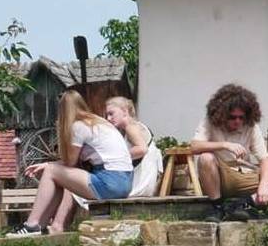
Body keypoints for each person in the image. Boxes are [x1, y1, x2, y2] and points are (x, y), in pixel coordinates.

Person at [13, 90, 134, 235]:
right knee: (56, 176)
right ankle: (41, 225)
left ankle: (31, 224)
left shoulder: (79, 126)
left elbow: (70, 163)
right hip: (125, 182)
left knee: (51, 171)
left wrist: (48, 165)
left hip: (109, 181)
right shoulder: (98, 122)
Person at [192, 83, 268, 217]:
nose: (237, 121)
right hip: (221, 176)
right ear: (222, 114)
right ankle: (217, 207)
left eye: (241, 117)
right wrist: (225, 145)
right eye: (232, 117)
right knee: (205, 158)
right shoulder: (210, 121)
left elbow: (264, 160)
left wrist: (264, 185)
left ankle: (245, 204)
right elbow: (194, 146)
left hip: (246, 174)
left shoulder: (251, 126)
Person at [103, 95, 163, 198]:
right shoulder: (129, 127)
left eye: (111, 114)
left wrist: (115, 157)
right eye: (107, 115)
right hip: (142, 180)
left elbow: (142, 149)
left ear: (125, 111)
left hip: (140, 183)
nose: (108, 118)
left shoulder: (131, 127)